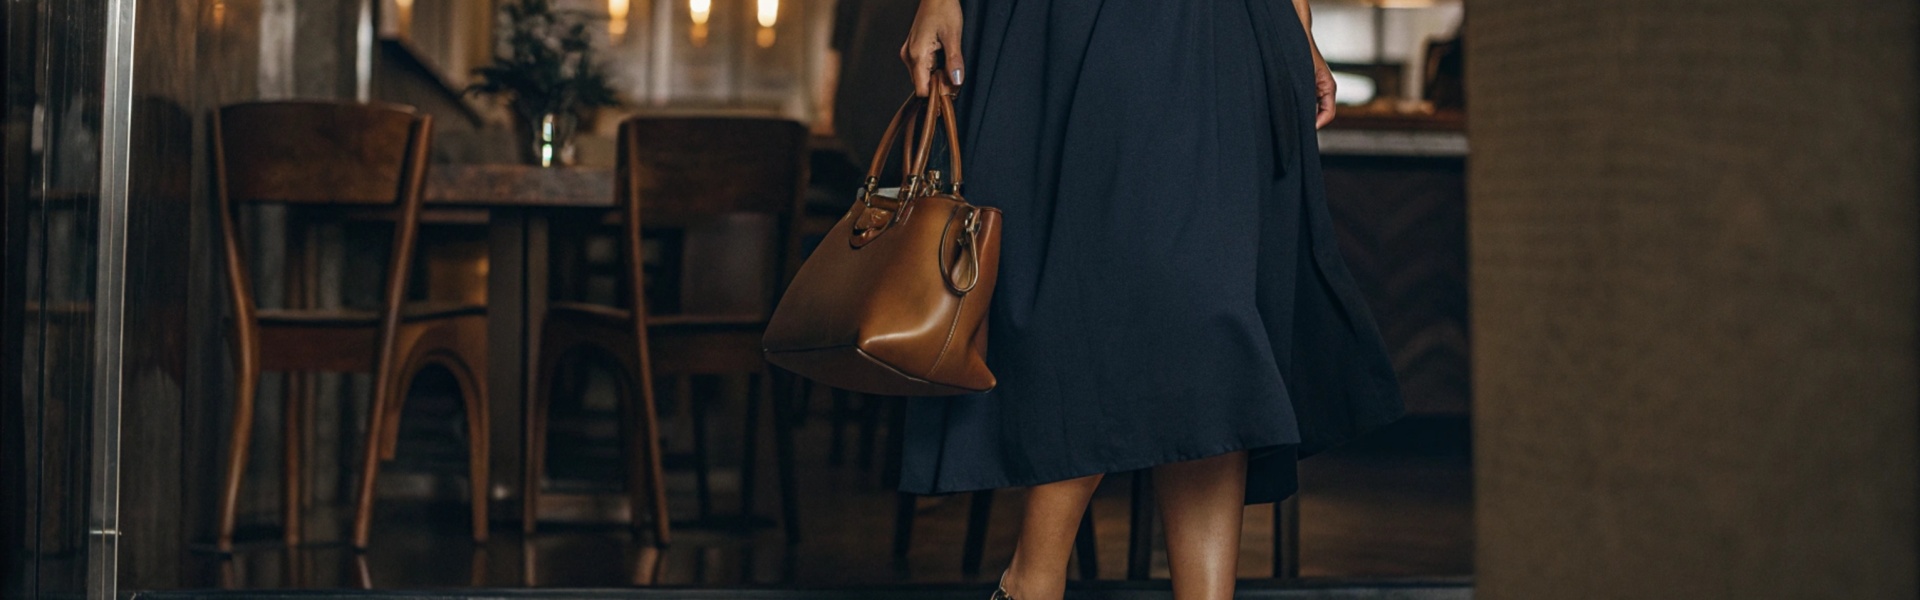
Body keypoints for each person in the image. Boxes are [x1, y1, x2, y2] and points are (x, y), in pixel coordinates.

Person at [892, 0, 1405, 599]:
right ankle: (1034, 578)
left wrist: (1298, 22)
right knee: (1106, 288)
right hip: (1082, 26)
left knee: (1217, 320)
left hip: (1234, 26)